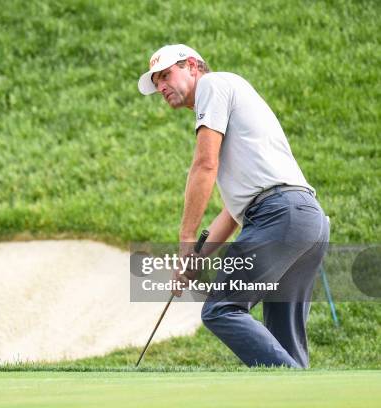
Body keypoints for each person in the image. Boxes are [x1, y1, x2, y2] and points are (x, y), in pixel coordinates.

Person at [137, 44, 330, 368]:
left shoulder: (213, 85)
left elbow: (204, 165)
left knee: (221, 308)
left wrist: (186, 238)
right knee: (283, 341)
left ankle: (294, 381)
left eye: (167, 75)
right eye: (156, 82)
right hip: (307, 221)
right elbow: (232, 213)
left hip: (279, 215)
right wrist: (196, 258)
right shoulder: (230, 108)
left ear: (194, 66)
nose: (161, 87)